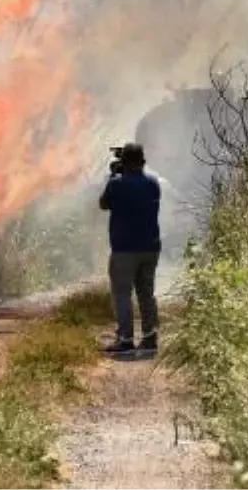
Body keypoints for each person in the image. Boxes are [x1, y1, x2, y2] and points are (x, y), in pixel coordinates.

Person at [98, 142, 161, 356]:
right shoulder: (153, 183)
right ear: (142, 161)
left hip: (124, 248)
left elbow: (104, 204)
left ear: (123, 162)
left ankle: (125, 338)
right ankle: (150, 336)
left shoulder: (116, 184)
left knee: (123, 294)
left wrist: (113, 175)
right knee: (146, 293)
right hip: (150, 247)